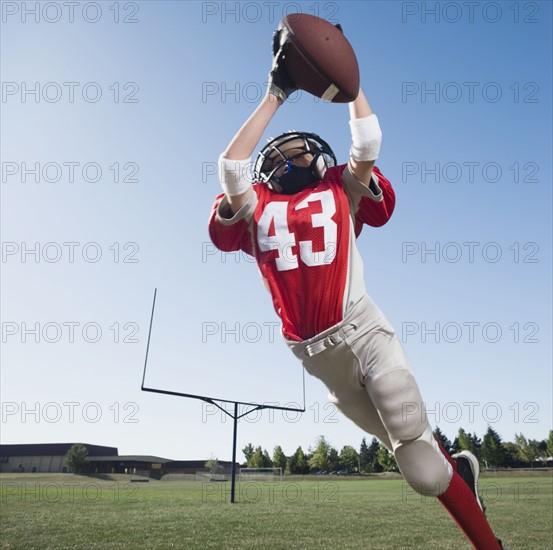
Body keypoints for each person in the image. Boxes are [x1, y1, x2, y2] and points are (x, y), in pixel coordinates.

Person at [208, 30, 505, 550]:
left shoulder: (338, 188)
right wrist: (275, 92)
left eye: (303, 150)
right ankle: (459, 470)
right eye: (284, 153)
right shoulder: (252, 202)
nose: (294, 157)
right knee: (426, 473)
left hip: (363, 329)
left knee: (419, 461)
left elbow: (366, 142)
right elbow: (231, 166)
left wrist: (350, 81)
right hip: (316, 359)